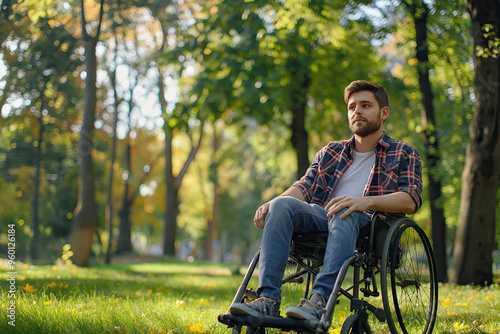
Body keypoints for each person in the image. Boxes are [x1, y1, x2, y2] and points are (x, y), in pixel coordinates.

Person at [229, 80, 423, 321]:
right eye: (352, 107)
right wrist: (273, 202)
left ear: (384, 113)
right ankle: (267, 300)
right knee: (281, 205)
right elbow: (304, 187)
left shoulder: (404, 152)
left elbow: (410, 199)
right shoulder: (331, 152)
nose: (357, 111)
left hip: (370, 225)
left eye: (365, 105)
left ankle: (319, 301)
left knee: (345, 210)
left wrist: (364, 202)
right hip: (323, 217)